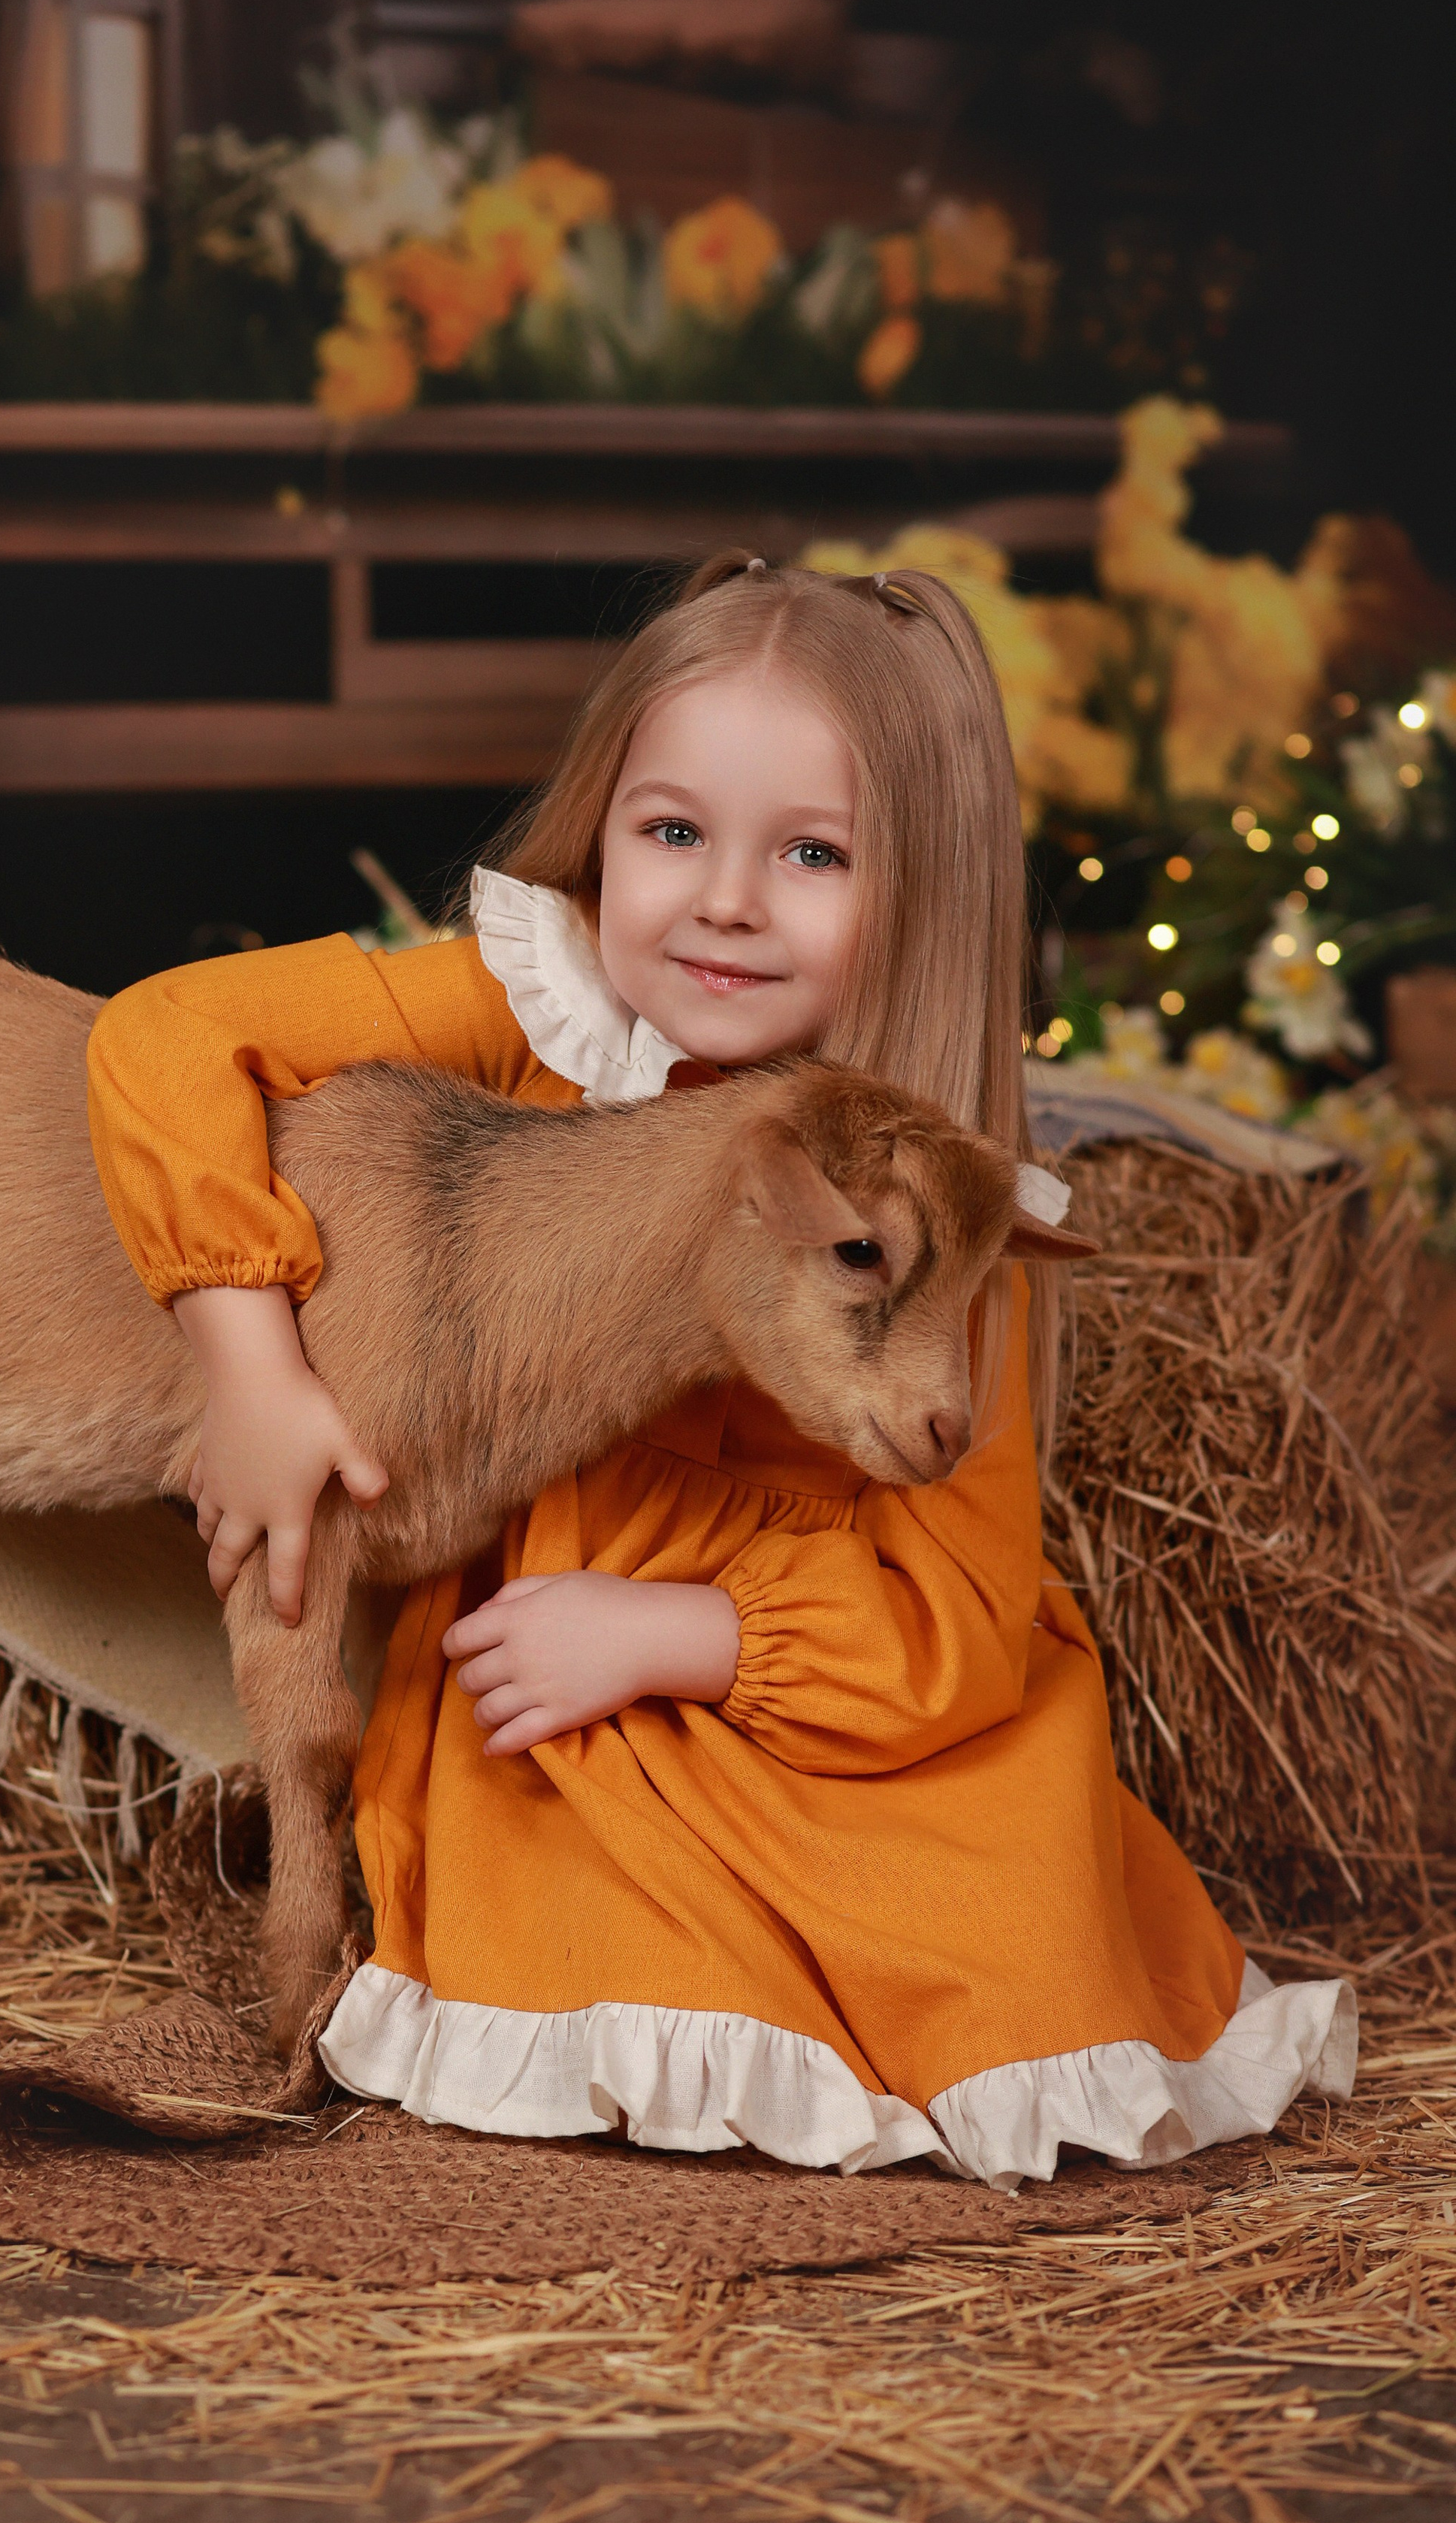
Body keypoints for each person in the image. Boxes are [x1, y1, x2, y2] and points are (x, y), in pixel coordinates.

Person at [85, 554, 1351, 2187]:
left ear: (921, 895)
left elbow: (961, 1620)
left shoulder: (931, 1220)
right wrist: (248, 1360)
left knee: (984, 1906)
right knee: (570, 1861)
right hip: (547, 1686)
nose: (725, 900)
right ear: (601, 826)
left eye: (811, 853)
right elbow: (163, 1040)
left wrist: (687, 1632)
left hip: (828, 1709)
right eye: (670, 832)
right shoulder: (524, 1011)